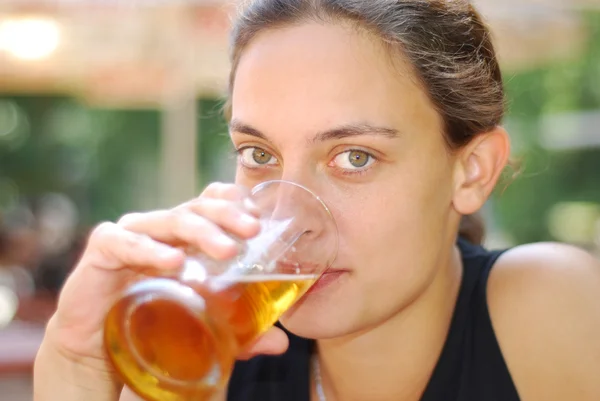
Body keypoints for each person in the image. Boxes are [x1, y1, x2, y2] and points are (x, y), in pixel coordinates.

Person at [34, 1, 600, 400]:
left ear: (471, 171)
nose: (288, 215)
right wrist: (76, 368)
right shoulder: (198, 356)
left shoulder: (548, 307)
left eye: (355, 157)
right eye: (259, 154)